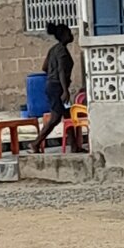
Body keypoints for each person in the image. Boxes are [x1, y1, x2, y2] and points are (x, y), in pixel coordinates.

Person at [32, 22, 74, 153]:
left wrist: (52, 73)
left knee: (68, 115)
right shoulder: (61, 51)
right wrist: (65, 90)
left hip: (52, 85)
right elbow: (61, 70)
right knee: (55, 117)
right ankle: (35, 143)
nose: (71, 35)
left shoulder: (53, 50)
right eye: (69, 32)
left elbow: (44, 67)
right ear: (63, 35)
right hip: (57, 88)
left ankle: (74, 145)